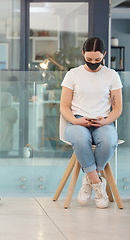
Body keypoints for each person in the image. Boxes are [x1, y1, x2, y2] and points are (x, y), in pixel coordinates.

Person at [60, 37, 123, 209]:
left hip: (103, 121)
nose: (93, 63)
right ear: (82, 54)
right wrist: (75, 120)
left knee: (110, 141)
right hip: (77, 121)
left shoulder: (112, 76)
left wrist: (106, 121)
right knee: (80, 139)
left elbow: (117, 109)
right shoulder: (72, 74)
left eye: (97, 59)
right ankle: (97, 183)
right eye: (89, 59)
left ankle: (89, 178)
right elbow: (64, 107)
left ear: (104, 54)